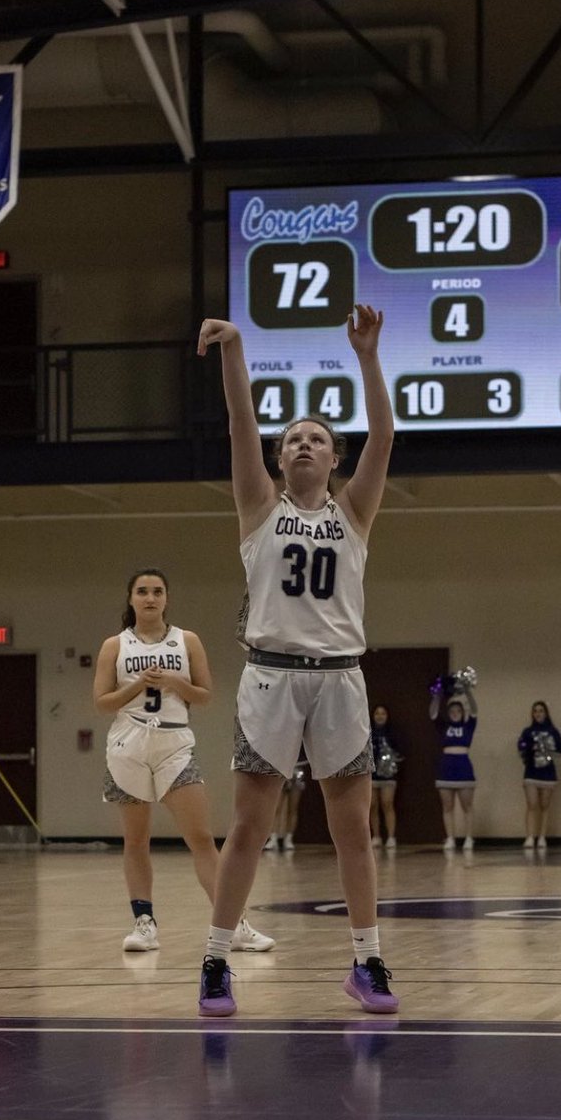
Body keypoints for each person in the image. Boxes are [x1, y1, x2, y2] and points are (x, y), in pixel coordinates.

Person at [195, 303, 398, 1017]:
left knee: (353, 829)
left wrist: (367, 356)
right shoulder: (256, 507)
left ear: (333, 457)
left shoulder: (353, 513)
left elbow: (385, 432)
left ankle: (367, 960)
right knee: (249, 825)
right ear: (279, 460)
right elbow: (240, 424)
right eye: (293, 440)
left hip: (340, 678)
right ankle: (216, 960)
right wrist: (234, 350)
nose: (303, 445)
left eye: (316, 439)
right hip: (271, 678)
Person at [93, 568, 274, 954]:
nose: (150, 597)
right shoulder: (115, 645)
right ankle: (144, 923)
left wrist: (172, 682)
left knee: (202, 838)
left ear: (167, 598)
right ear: (131, 599)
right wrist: (138, 685)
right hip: (128, 742)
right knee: (136, 839)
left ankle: (234, 924)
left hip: (174, 741)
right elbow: (101, 701)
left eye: (157, 591)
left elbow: (205, 695)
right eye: (142, 591)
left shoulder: (185, 640)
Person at [430, 688, 478, 851]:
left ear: (462, 712)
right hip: (446, 767)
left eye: (458, 710)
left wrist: (468, 692)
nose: (455, 713)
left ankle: (469, 838)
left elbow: (474, 710)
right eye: (452, 710)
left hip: (463, 766)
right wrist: (437, 695)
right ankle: (450, 838)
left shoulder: (468, 726)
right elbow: (433, 713)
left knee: (467, 806)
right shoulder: (443, 726)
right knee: (447, 806)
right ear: (448, 712)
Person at [518, 701, 561, 850]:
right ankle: (530, 837)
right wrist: (527, 750)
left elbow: (560, 752)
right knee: (531, 805)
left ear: (546, 713)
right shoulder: (527, 732)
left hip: (548, 772)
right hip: (531, 772)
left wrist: (548, 753)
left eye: (541, 711)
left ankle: (542, 837)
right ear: (532, 714)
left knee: (545, 806)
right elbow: (521, 749)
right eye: (535, 711)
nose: (538, 713)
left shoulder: (553, 731)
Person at [369, 705, 402, 850]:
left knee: (387, 803)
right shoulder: (368, 732)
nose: (380, 716)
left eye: (383, 713)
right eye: (377, 713)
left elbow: (400, 752)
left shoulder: (393, 733)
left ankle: (391, 837)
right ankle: (376, 836)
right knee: (372, 805)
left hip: (388, 774)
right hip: (372, 773)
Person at [264, 752, 309, 852]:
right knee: (276, 807)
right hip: (280, 767)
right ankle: (273, 838)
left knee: (293, 808)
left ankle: (288, 838)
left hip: (298, 768)